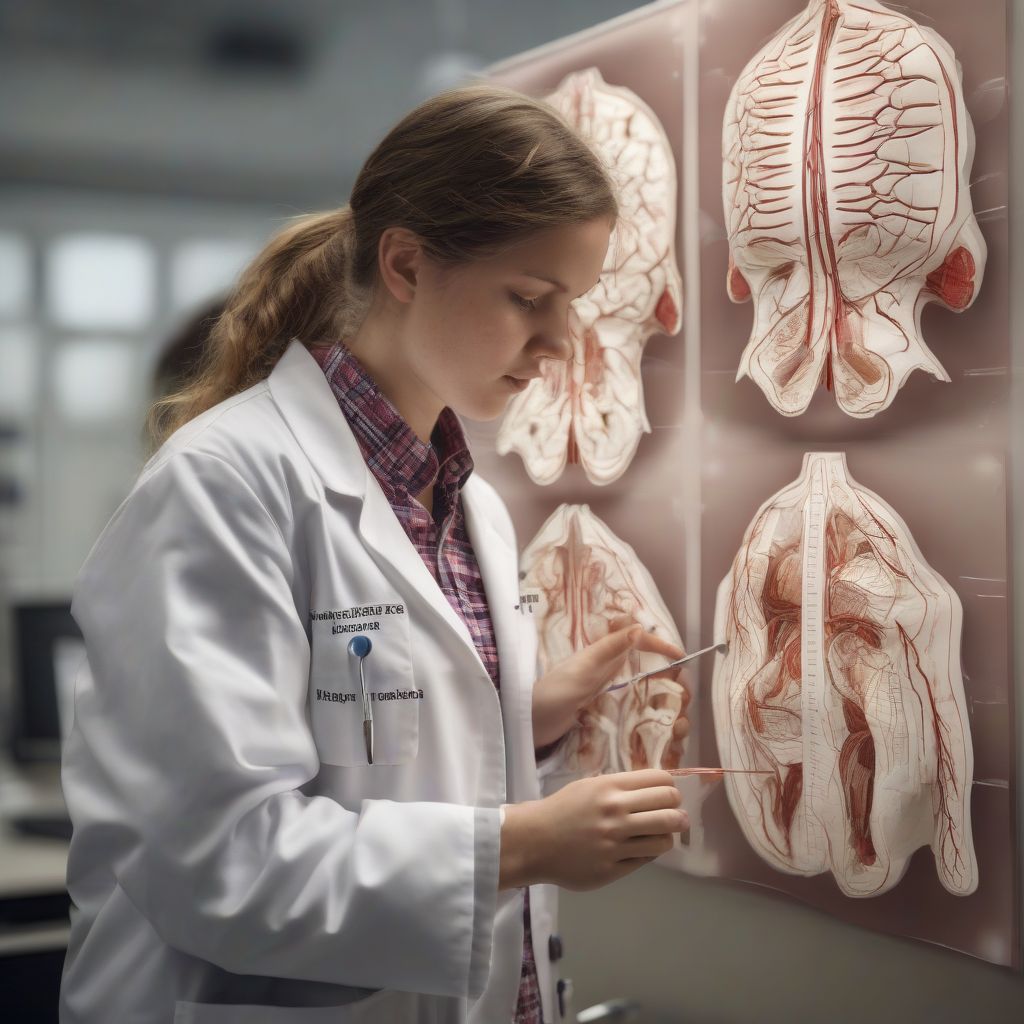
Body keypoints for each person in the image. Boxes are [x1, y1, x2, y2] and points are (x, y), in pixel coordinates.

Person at [58, 82, 691, 1024]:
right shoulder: (225, 486)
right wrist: (520, 846)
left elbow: (377, 747)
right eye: (530, 298)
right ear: (404, 263)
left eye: (573, 304)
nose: (562, 342)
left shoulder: (467, 499)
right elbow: (217, 860)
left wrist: (525, 720)